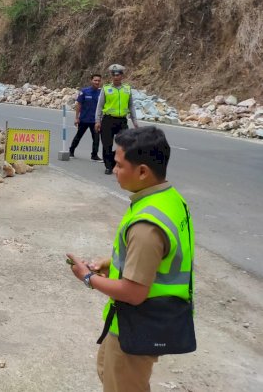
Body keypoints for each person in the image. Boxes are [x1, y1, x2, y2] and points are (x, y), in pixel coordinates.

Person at [66, 126, 194, 392]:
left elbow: (134, 292)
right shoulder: (171, 200)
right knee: (112, 373)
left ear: (143, 171)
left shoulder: (147, 224)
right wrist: (111, 264)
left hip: (137, 323)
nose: (113, 169)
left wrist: (87, 277)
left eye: (119, 164)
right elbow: (160, 263)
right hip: (148, 319)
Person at [96, 64, 139, 175]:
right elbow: (100, 106)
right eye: (114, 75)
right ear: (111, 76)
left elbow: (131, 106)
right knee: (107, 144)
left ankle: (114, 161)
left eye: (118, 74)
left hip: (122, 121)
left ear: (121, 76)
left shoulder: (127, 89)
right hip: (108, 120)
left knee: (125, 144)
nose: (116, 77)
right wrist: (97, 121)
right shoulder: (106, 89)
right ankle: (108, 166)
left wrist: (135, 121)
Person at [70, 74, 102, 161]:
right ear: (91, 81)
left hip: (95, 121)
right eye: (95, 80)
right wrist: (77, 117)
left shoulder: (101, 93)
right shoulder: (84, 91)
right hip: (84, 119)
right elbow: (79, 105)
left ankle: (94, 155)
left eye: (99, 80)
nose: (97, 82)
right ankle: (71, 151)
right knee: (78, 136)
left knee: (96, 138)